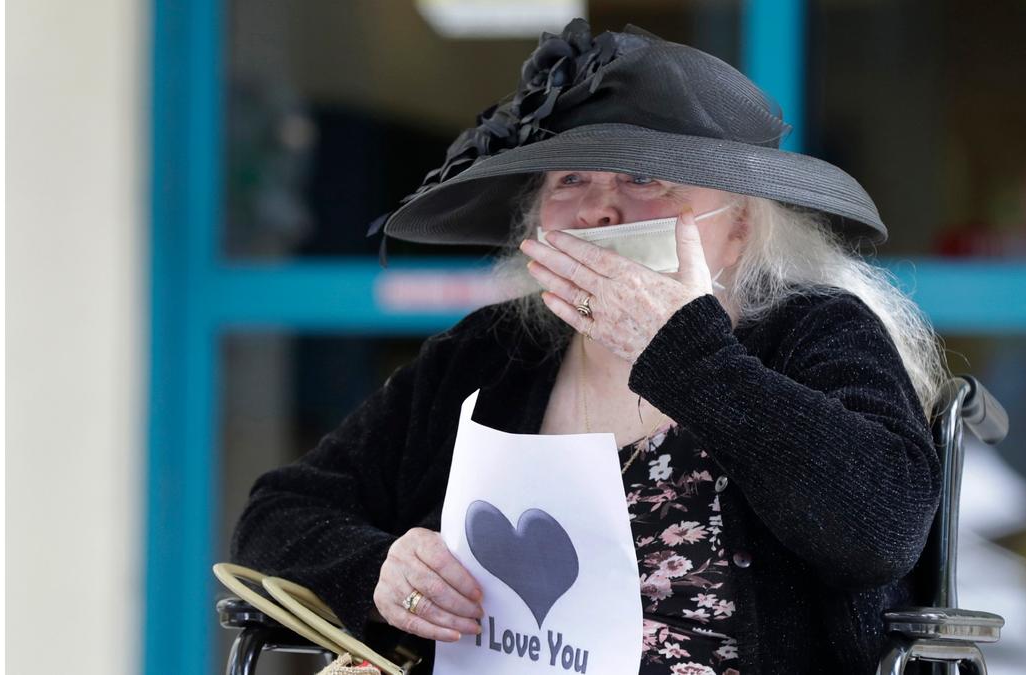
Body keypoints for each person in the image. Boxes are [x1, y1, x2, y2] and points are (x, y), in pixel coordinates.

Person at [232, 19, 946, 674]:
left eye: (644, 177)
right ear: (537, 222)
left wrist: (686, 352)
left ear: (739, 227)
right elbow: (277, 515)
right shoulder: (494, 351)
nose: (602, 208)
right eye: (572, 180)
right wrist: (379, 568)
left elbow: (879, 529)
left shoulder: (817, 330)